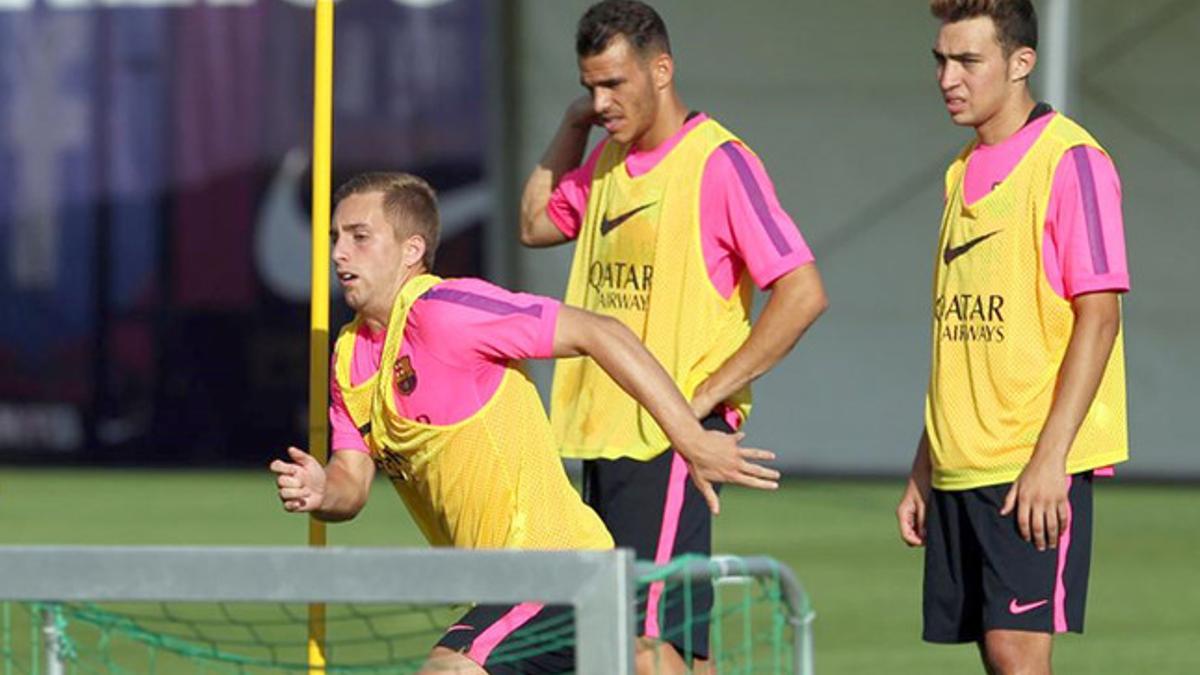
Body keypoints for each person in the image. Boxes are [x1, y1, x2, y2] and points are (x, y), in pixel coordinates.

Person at [270, 172, 779, 675]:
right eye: (335, 237)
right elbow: (351, 485)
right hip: (504, 590)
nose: (339, 253)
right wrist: (321, 490)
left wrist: (689, 437)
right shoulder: (347, 356)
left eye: (360, 237)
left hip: (559, 574)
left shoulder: (447, 313)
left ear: (411, 250)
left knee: (449, 671)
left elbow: (599, 331)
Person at [518, 0, 827, 664]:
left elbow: (803, 293)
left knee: (644, 642)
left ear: (662, 70)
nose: (600, 102)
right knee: (665, 641)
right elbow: (536, 221)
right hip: (603, 434)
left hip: (669, 437)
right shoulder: (604, 159)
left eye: (613, 84)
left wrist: (706, 398)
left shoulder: (719, 162)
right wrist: (575, 124)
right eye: (588, 87)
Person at [895, 1, 1130, 673]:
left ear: (1021, 62)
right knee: (996, 659)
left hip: (1029, 459)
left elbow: (1101, 315)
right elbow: (960, 343)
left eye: (968, 61)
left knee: (1019, 659)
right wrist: (925, 465)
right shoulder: (958, 172)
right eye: (941, 60)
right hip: (960, 462)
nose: (948, 78)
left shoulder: (1073, 160)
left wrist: (1050, 459)